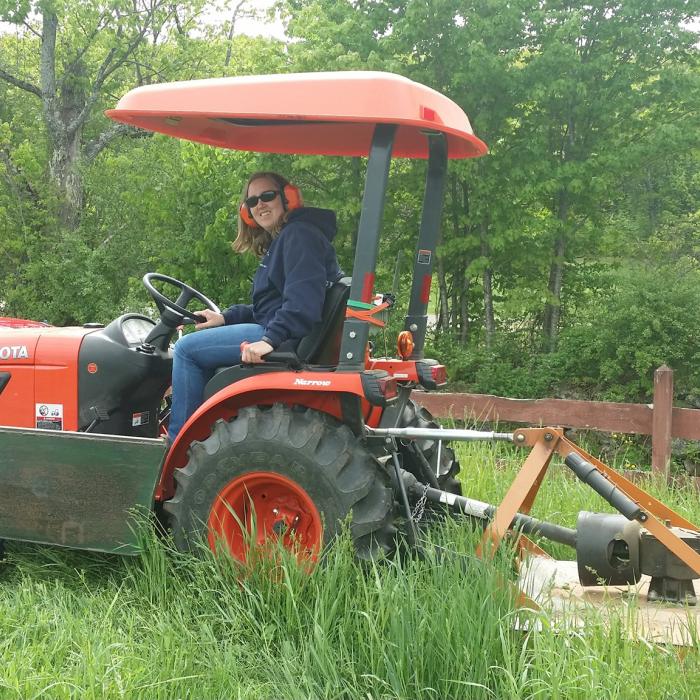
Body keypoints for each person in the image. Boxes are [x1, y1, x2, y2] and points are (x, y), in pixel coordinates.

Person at [167, 171, 343, 442]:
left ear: (288, 198)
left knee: (185, 349)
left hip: (286, 339)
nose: (260, 204)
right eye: (252, 201)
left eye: (268, 196)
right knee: (194, 347)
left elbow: (303, 302)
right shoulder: (287, 239)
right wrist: (224, 318)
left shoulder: (299, 235)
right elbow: (268, 307)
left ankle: (178, 443)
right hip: (282, 331)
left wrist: (269, 340)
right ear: (246, 211)